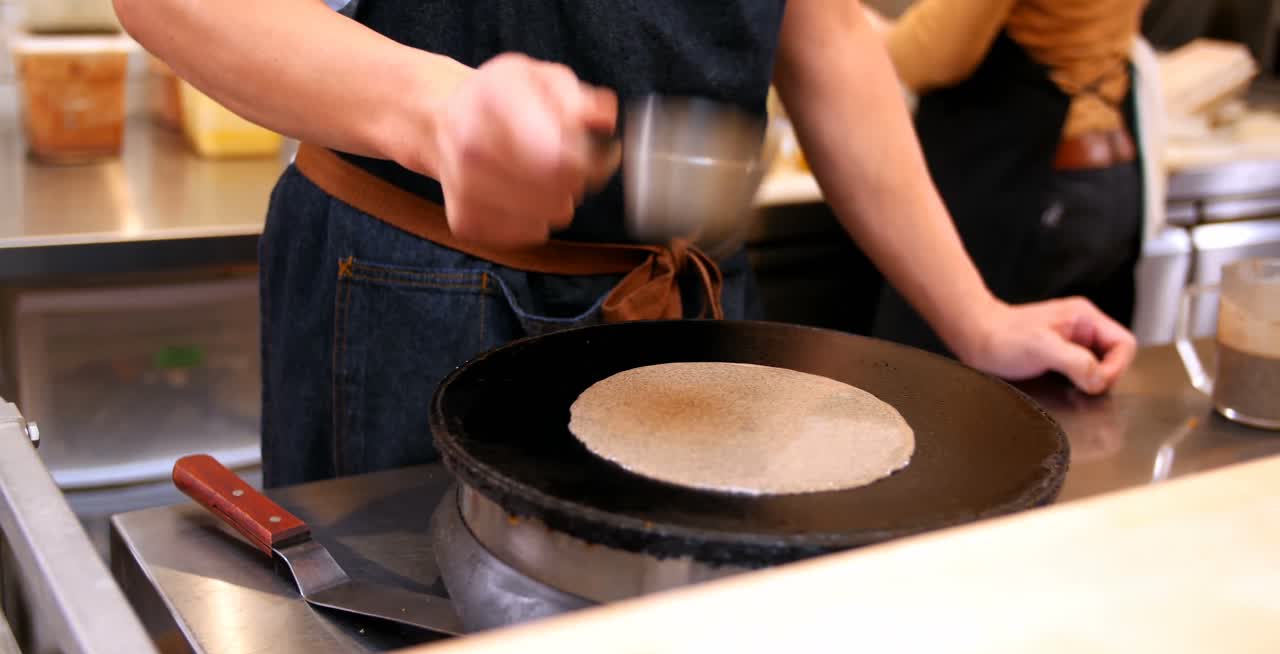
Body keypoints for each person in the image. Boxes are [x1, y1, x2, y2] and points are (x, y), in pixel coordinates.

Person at [114, 1, 1136, 488]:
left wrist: (973, 315)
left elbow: (817, 30)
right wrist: (438, 112)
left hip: (690, 308)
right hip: (414, 289)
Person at [865, 0, 1149, 356]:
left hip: (1025, 176)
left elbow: (933, 54)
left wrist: (860, 32)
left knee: (946, 383)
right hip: (1109, 174)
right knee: (1066, 386)